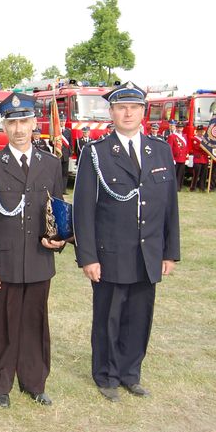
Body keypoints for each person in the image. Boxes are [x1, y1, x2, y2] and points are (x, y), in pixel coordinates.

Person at [73, 81, 180, 402]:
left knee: (139, 317)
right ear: (112, 113)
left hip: (148, 253)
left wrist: (169, 251)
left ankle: (131, 373)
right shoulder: (97, 153)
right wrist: (88, 257)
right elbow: (83, 211)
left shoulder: (159, 150)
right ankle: (106, 375)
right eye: (121, 108)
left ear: (144, 113)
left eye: (134, 107)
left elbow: (169, 206)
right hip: (110, 254)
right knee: (109, 318)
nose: (128, 113)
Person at [0, 92, 64, 409]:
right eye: (12, 122)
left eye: (24, 121)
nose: (19, 129)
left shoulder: (51, 164)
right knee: (4, 324)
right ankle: (1, 385)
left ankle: (34, 382)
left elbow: (58, 211)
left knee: (36, 323)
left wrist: (61, 239)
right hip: (4, 260)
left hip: (39, 260)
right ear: (4, 126)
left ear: (34, 123)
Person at [166, 120, 188, 192]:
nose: (179, 129)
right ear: (176, 127)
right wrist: (172, 159)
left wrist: (187, 158)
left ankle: (179, 187)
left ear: (183, 128)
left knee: (181, 174)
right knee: (174, 174)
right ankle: (173, 187)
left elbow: (186, 147)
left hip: (182, 158)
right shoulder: (172, 136)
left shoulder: (184, 136)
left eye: (181, 128)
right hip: (175, 158)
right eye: (178, 127)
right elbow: (169, 148)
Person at [189, 126, 209, 191]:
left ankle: (202, 187)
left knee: (204, 175)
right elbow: (198, 147)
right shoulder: (194, 139)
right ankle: (193, 187)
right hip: (198, 159)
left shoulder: (205, 139)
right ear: (197, 132)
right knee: (196, 175)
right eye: (200, 131)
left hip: (205, 159)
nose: (201, 133)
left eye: (202, 131)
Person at [57, 117, 72, 192]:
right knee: (58, 172)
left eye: (63, 121)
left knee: (65, 173)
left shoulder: (68, 131)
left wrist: (70, 153)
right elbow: (51, 142)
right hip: (58, 154)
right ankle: (58, 189)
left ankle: (64, 190)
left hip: (66, 155)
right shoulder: (56, 130)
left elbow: (70, 143)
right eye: (61, 121)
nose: (62, 122)